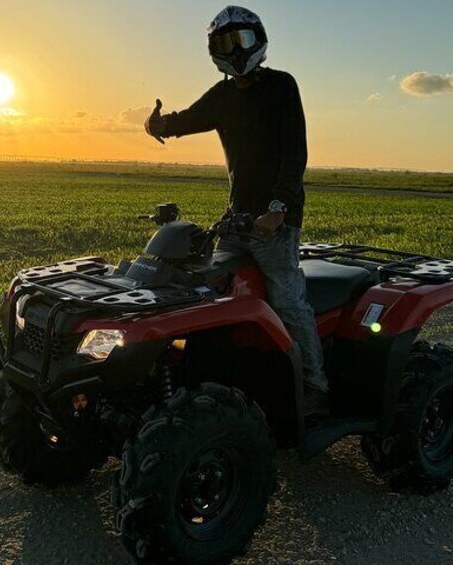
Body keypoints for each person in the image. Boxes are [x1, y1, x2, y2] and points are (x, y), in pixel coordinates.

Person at [144, 5, 329, 414]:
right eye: (226, 43)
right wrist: (157, 125)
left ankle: (314, 384)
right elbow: (190, 118)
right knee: (211, 293)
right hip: (238, 219)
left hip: (276, 221)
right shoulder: (223, 96)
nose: (236, 49)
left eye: (242, 39)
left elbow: (294, 152)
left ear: (258, 39)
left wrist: (279, 207)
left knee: (287, 297)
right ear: (215, 51)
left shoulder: (282, 86)